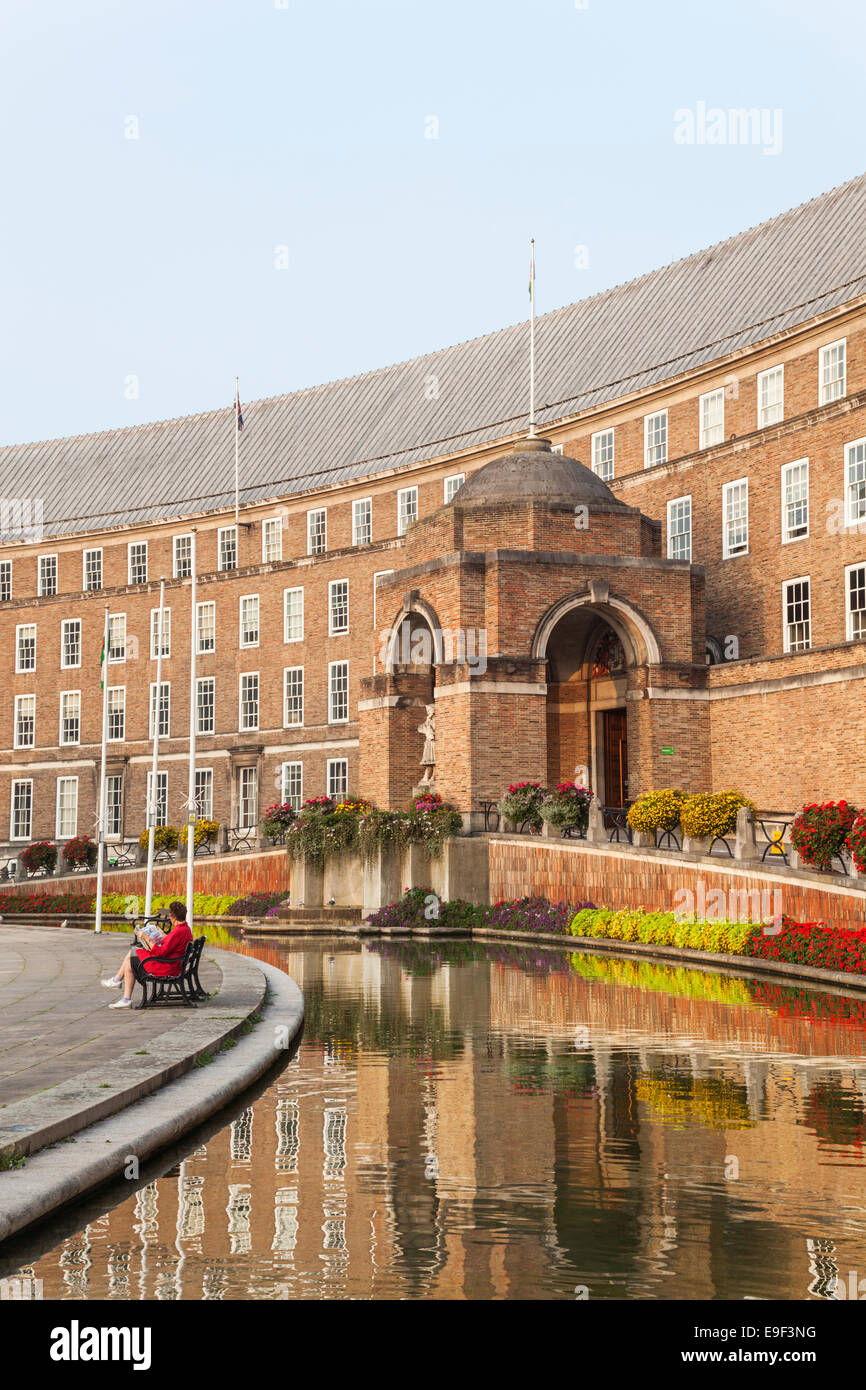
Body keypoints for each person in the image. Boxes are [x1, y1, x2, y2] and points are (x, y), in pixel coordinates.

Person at [102, 901, 193, 1010]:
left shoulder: (178, 931)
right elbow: (172, 944)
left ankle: (123, 993)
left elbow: (160, 952)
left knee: (131, 959)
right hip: (173, 963)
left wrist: (146, 938)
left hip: (167, 967)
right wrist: (164, 936)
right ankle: (120, 987)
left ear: (173, 917)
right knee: (132, 954)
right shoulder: (185, 929)